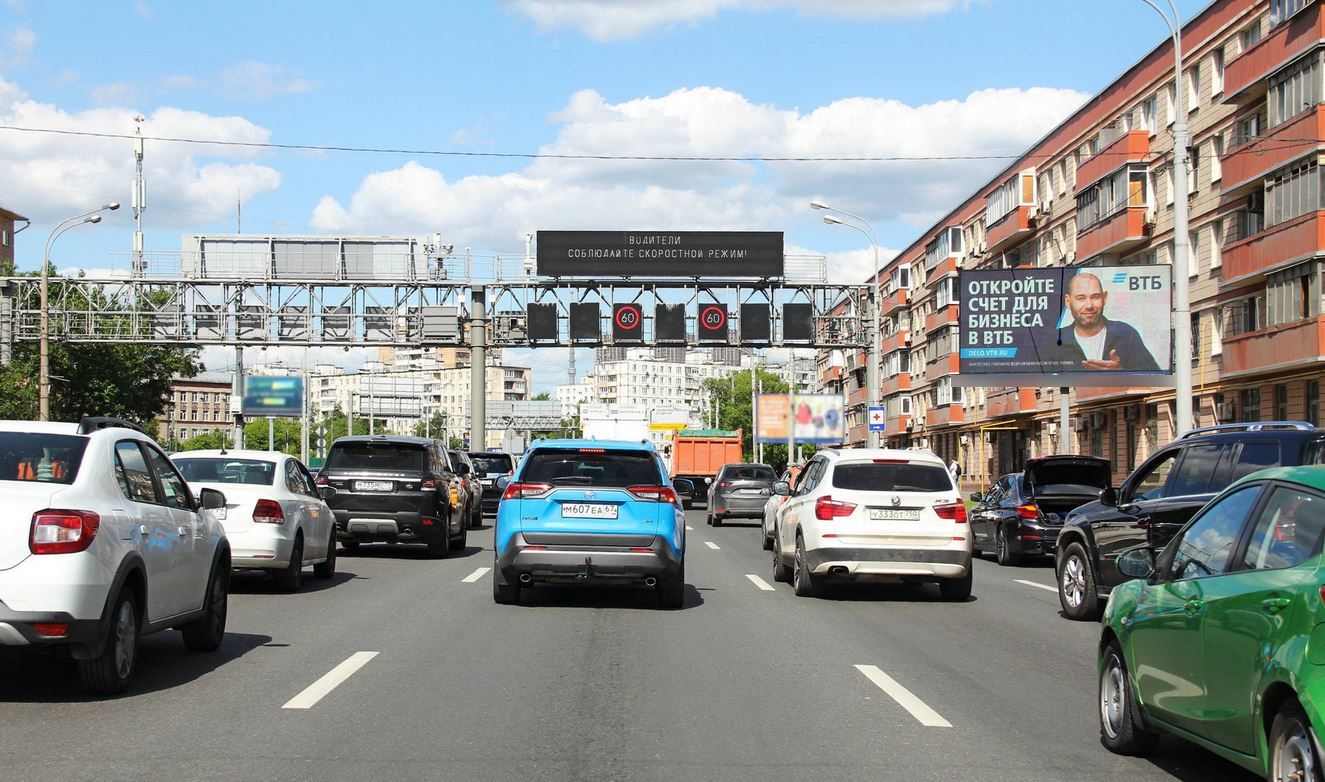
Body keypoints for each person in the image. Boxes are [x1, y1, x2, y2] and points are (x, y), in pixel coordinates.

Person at [1055, 272, 1160, 372]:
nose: (1089, 306)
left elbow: (1154, 380)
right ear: (1068, 302)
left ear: (1104, 298)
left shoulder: (1125, 334)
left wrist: (1120, 373)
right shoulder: (1054, 341)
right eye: (1081, 298)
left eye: (1095, 297)